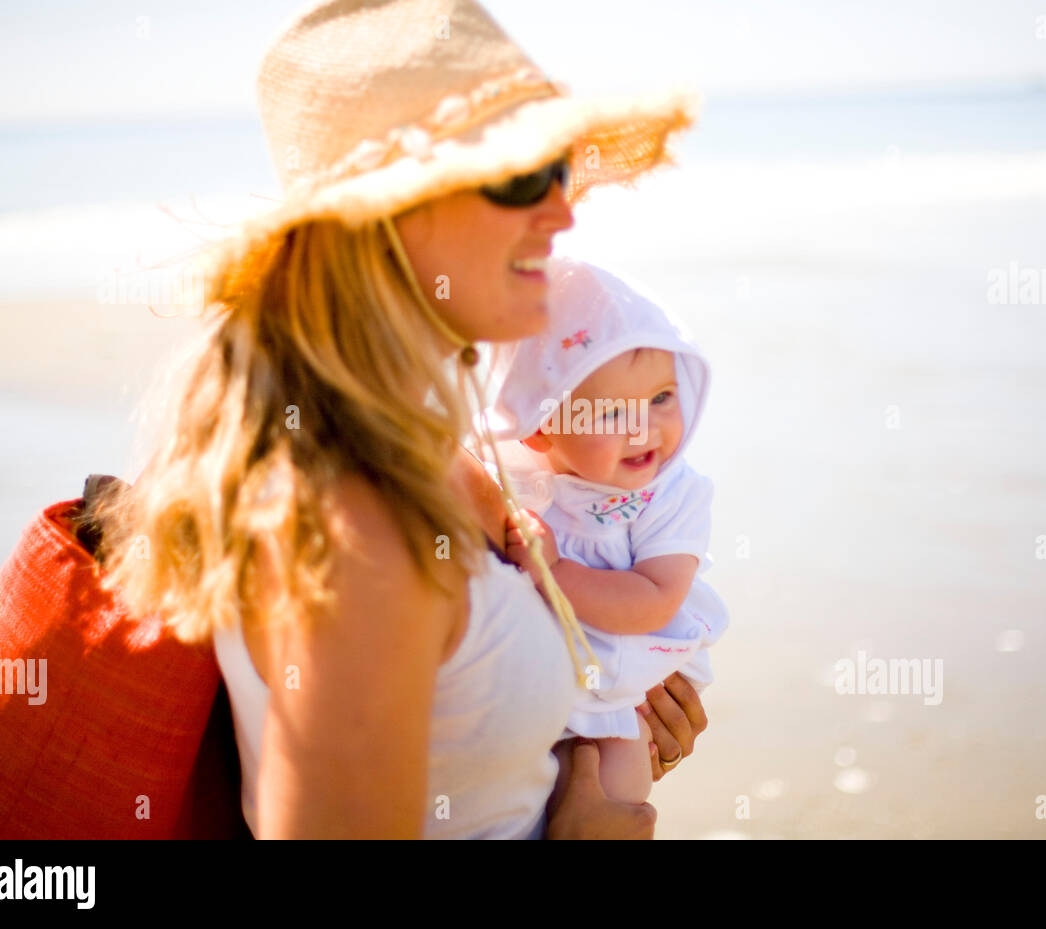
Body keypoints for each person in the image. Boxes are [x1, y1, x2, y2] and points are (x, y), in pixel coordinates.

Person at [90, 0, 706, 838]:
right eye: (523, 175)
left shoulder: (418, 454)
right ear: (386, 217)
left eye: (559, 168)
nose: (564, 211)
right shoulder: (356, 524)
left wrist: (608, 742)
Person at [485, 258, 729, 805]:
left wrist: (558, 571)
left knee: (614, 771)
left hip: (631, 664)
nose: (645, 429)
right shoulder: (507, 477)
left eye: (662, 398)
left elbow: (657, 599)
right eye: (612, 414)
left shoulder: (671, 495)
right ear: (541, 429)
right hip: (539, 678)